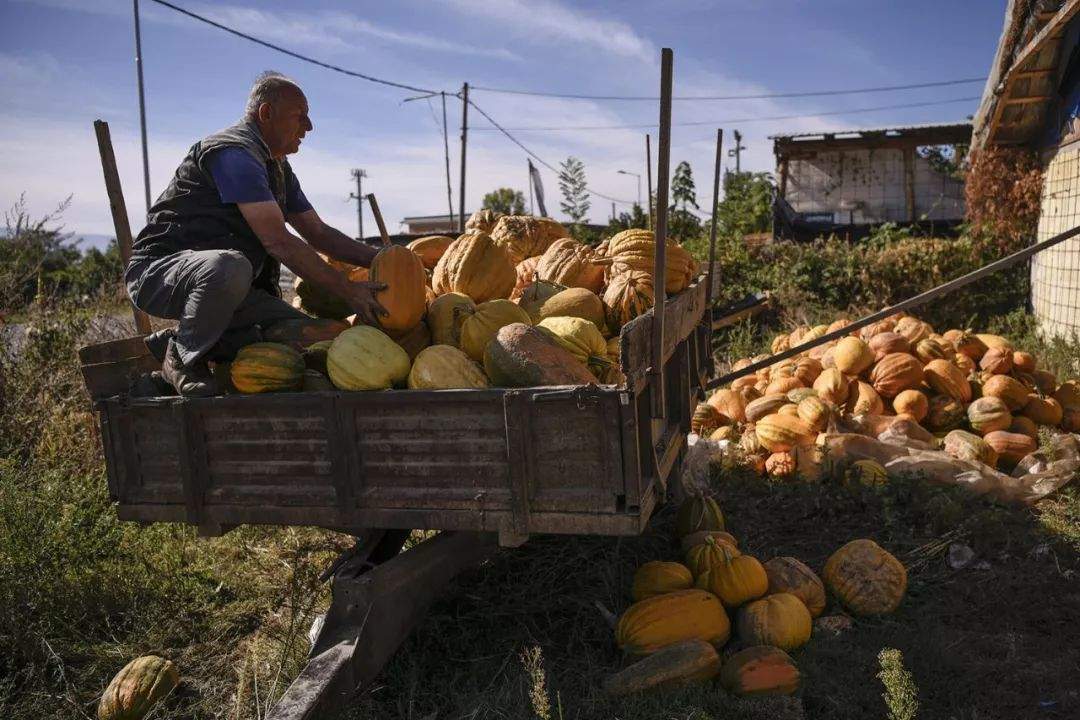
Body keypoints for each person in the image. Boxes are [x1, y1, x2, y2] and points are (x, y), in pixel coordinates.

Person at [125, 71, 384, 396]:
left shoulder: (276, 168)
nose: (309, 127)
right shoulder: (234, 154)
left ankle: (199, 342)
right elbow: (278, 241)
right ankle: (182, 357)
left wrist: (386, 257)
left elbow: (318, 233)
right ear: (266, 113)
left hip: (234, 290)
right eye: (299, 116)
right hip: (161, 273)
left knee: (324, 338)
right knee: (228, 266)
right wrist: (349, 291)